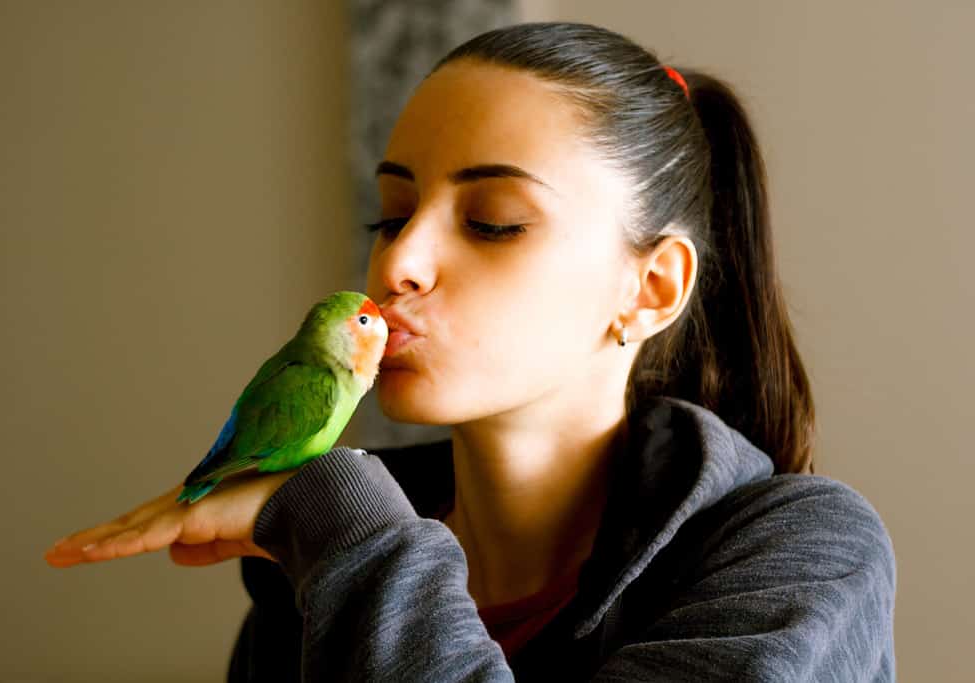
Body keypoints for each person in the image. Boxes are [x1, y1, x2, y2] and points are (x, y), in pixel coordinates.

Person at [45, 21, 897, 681]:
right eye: (390, 213)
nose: (397, 262)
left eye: (493, 222)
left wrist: (352, 538)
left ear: (651, 290)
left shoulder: (803, 558)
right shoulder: (305, 572)